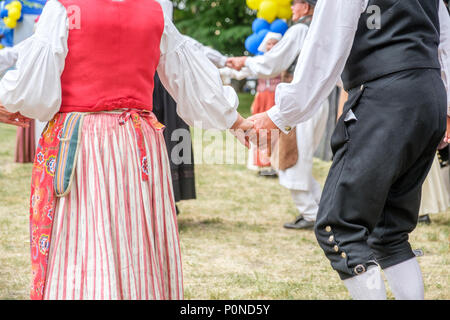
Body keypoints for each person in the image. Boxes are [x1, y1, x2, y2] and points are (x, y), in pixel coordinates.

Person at [0, 0, 252, 300]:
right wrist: (233, 119)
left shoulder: (64, 7)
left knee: (83, 239)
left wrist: (7, 99)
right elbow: (186, 76)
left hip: (83, 142)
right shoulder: (155, 9)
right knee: (135, 237)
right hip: (138, 141)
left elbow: (34, 87)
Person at [248, 0, 450, 300]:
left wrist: (281, 115)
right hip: (427, 95)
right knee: (390, 233)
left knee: (339, 228)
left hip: (385, 99)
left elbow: (327, 46)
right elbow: (445, 40)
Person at [228, 0, 330, 230]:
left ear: (305, 6)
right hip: (318, 102)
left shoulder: (300, 29)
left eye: (295, 4)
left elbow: (272, 63)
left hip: (300, 101)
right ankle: (323, 211)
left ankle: (313, 214)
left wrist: (245, 61)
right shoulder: (324, 29)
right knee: (300, 161)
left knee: (291, 160)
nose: (291, 9)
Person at [221, 32, 283, 176]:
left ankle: (276, 164)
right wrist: (218, 70)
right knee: (258, 129)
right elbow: (240, 73)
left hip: (276, 100)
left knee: (276, 132)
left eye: (275, 43)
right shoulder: (259, 61)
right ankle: (261, 164)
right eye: (269, 43)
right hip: (262, 98)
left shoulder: (283, 62)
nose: (272, 46)